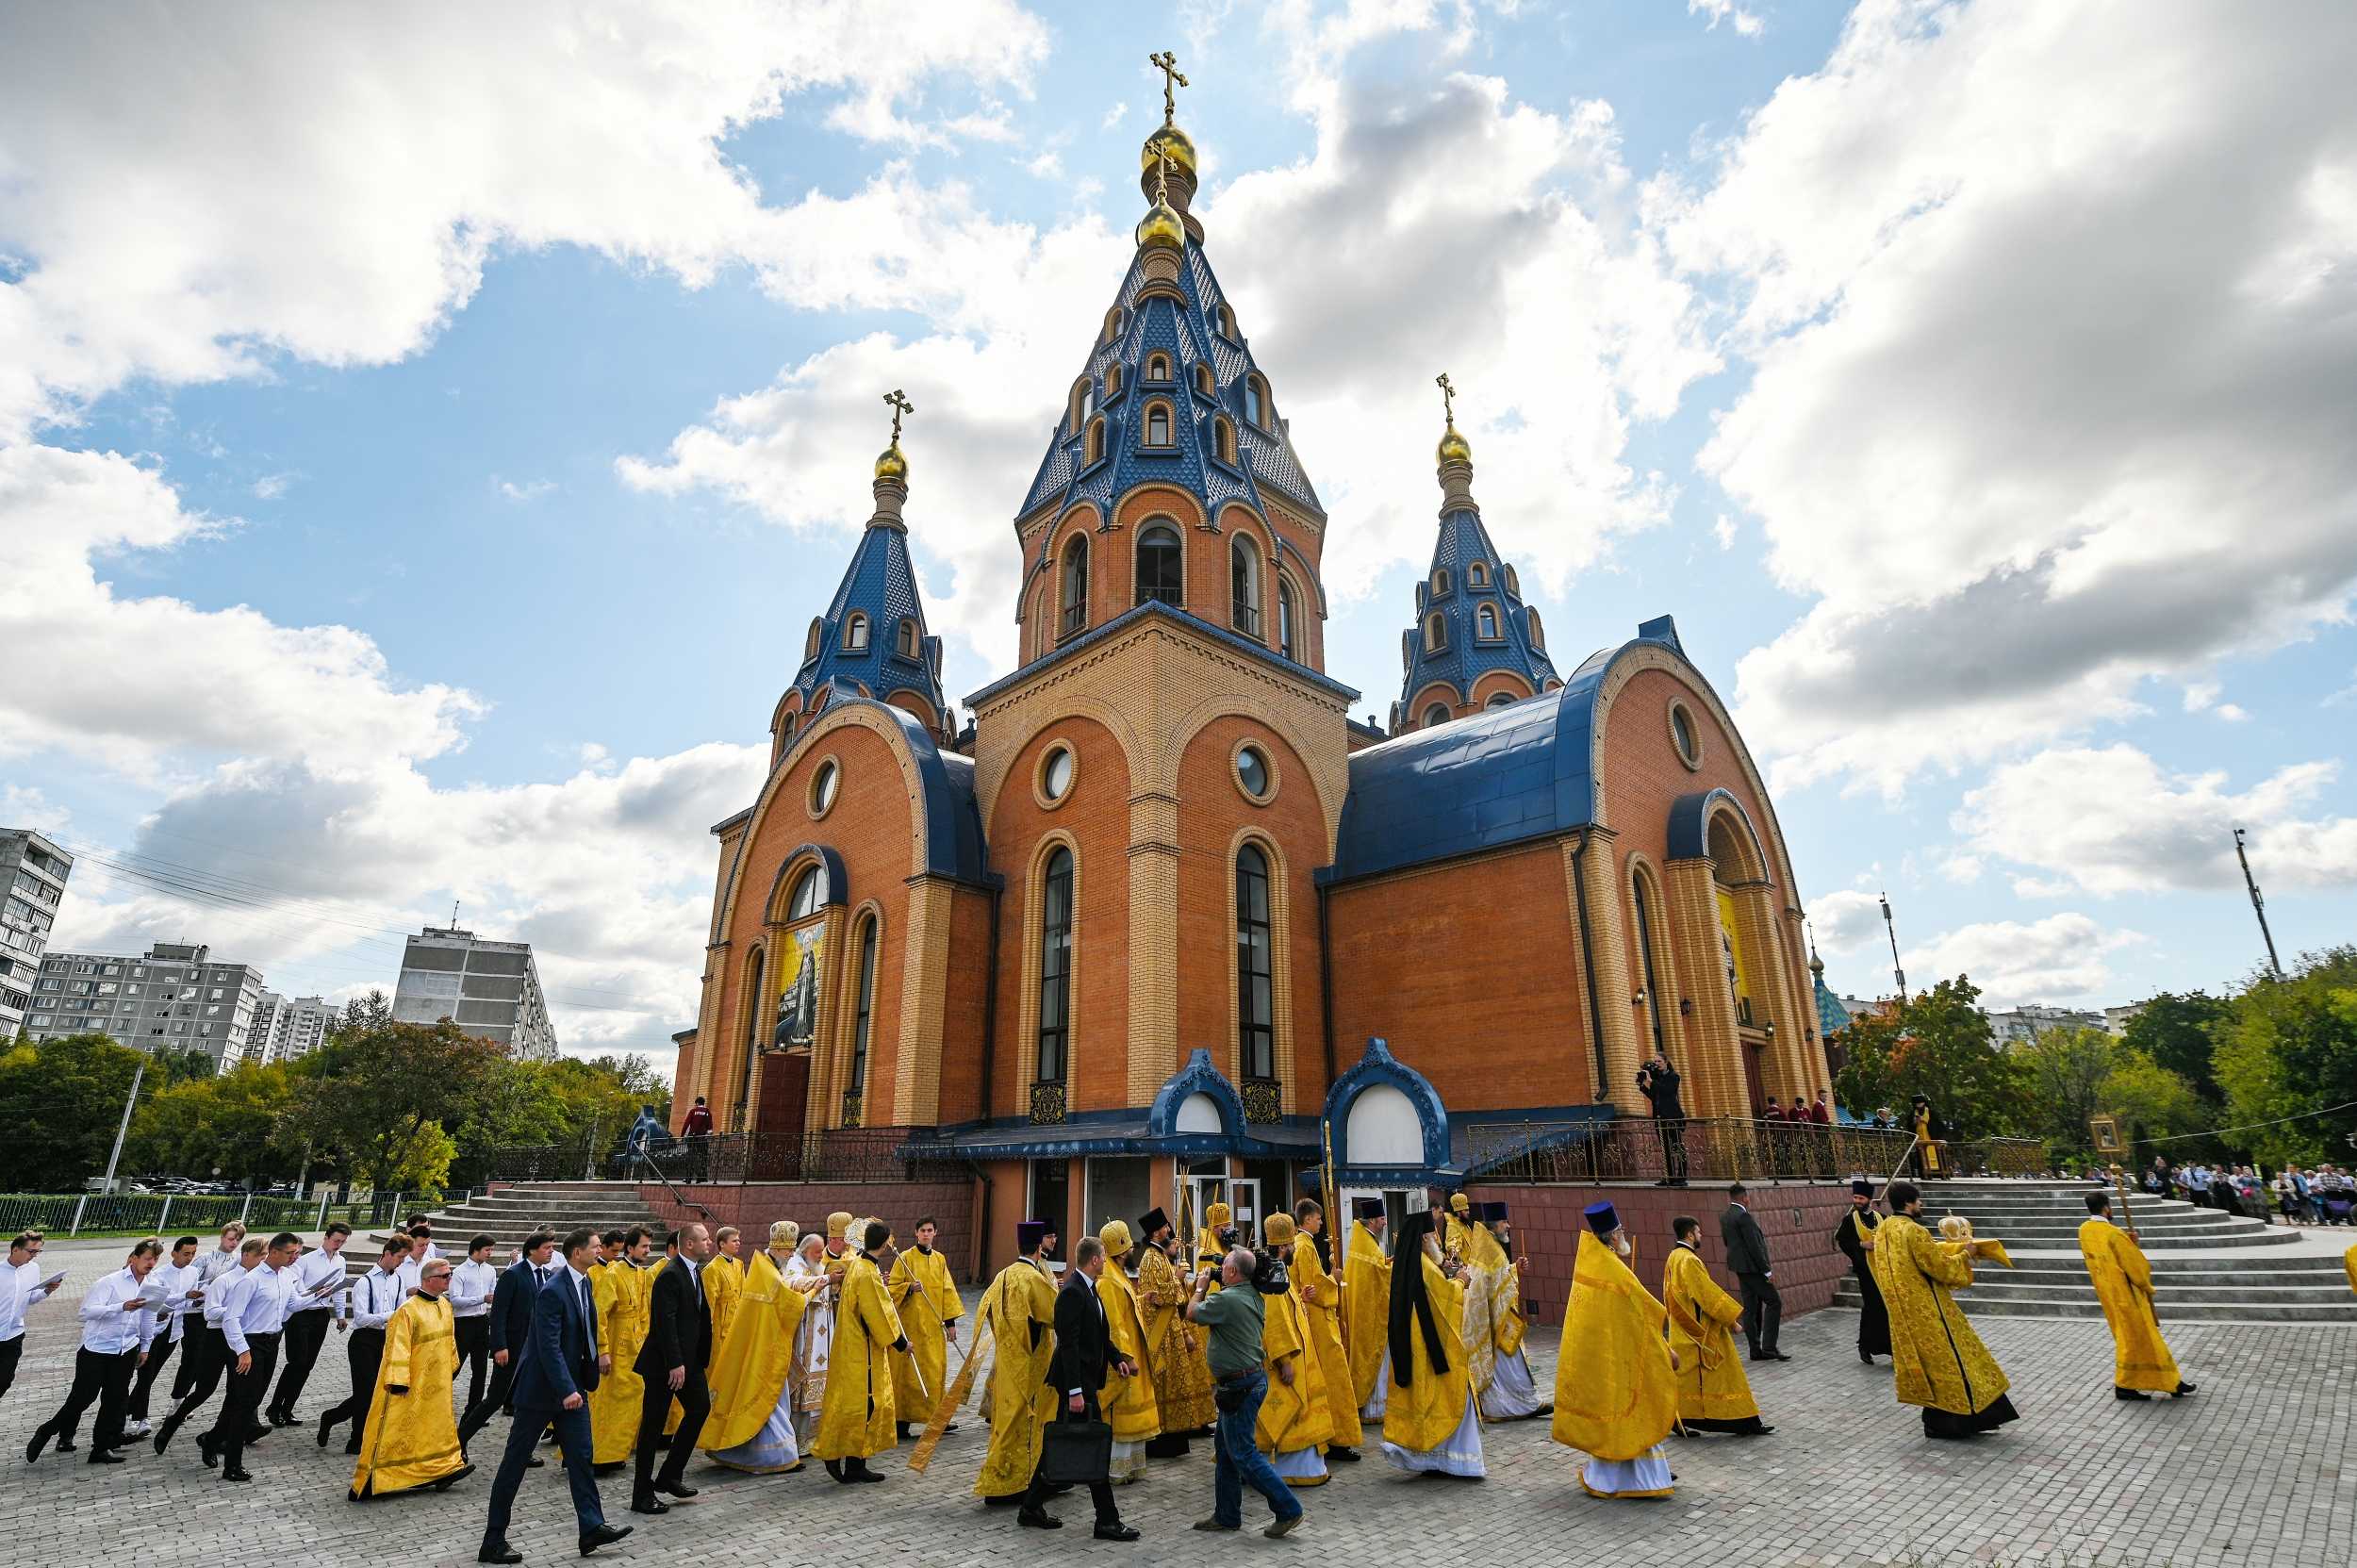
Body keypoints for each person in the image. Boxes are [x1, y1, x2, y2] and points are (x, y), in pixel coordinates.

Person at [478, 1229, 632, 1565]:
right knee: (515, 1463)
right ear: (578, 1253)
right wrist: (567, 1389)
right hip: (541, 1391)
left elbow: (585, 1333)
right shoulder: (552, 1291)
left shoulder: (585, 1282)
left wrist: (580, 1382)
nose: (601, 1251)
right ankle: (493, 1540)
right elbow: (547, 1346)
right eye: (595, 1247)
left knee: (581, 1457)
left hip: (573, 1389)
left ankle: (591, 1527)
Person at [1872, 1180, 2019, 1440]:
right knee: (1959, 1361)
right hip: (1930, 1310)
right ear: (1908, 1203)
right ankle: (1958, 1422)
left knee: (1932, 1367)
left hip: (1903, 1313)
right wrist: (1965, 1255)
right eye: (1918, 1201)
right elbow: (1938, 1267)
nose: (1921, 1205)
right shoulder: (1914, 1231)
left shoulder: (1884, 1229)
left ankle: (1948, 1421)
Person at [1551, 1202, 1679, 1498]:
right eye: (1621, 1230)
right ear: (1611, 1236)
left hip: (1605, 1357)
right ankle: (1644, 1478)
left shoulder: (1591, 1261)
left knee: (1616, 1416)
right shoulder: (1611, 1269)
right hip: (1622, 1356)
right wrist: (1664, 1349)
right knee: (1637, 1408)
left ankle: (1623, 1475)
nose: (1624, 1234)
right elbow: (1643, 1317)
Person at [1016, 1235, 1141, 1539]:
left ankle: (1031, 1507)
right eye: (1104, 1257)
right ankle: (1107, 1520)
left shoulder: (1090, 1288)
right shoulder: (1072, 1293)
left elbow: (1098, 1333)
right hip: (1076, 1383)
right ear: (1095, 1260)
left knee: (1067, 1443)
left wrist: (1115, 1359)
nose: (1106, 1261)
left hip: (1085, 1380)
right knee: (1089, 1443)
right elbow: (1069, 1345)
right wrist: (1074, 1393)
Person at [1188, 1245, 1304, 1537]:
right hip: (1243, 1383)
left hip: (1241, 1386)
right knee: (1226, 1452)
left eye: (1224, 1265)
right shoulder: (1251, 1294)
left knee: (1243, 1454)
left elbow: (1191, 1312)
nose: (1219, 1270)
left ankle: (1288, 1509)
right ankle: (1227, 1515)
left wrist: (1200, 1287)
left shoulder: (1227, 1300)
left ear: (1232, 1272)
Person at [24, 1236, 162, 1465]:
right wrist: (121, 1307)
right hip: (97, 1349)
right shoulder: (109, 1282)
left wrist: (145, 1346)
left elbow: (148, 1316)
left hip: (125, 1349)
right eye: (147, 1259)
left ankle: (101, 1448)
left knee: (115, 1400)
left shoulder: (152, 1286)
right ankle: (47, 1431)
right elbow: (85, 1312)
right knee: (82, 1399)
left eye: (155, 1260)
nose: (151, 1263)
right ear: (134, 1258)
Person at [702, 1220, 824, 1474]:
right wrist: (815, 1290)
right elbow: (791, 1306)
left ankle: (748, 1451)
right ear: (778, 1249)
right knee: (767, 1399)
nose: (792, 1255)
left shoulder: (764, 1267)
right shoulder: (767, 1272)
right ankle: (777, 1455)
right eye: (789, 1250)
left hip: (767, 1344)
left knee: (772, 1401)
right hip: (763, 1350)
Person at [351, 1255, 471, 1498]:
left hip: (436, 1384)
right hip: (408, 1384)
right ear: (428, 1280)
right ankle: (374, 1479)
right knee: (396, 1430)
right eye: (445, 1276)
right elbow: (396, 1347)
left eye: (450, 1275)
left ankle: (440, 1469)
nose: (450, 1279)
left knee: (433, 1429)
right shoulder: (407, 1311)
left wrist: (451, 1368)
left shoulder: (445, 1306)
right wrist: (398, 1381)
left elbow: (450, 1341)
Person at [1378, 1209, 1483, 1480]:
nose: (1437, 1240)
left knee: (1424, 1400)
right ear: (1423, 1239)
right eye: (1432, 1236)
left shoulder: (1410, 1261)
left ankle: (1429, 1456)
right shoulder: (1425, 1267)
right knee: (1451, 1395)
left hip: (1416, 1343)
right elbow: (1447, 1298)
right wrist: (1461, 1281)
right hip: (1428, 1346)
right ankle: (1456, 1460)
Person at [155, 1233, 265, 1459]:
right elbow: (211, 1312)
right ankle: (171, 1424)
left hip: (239, 1340)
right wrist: (237, 1310)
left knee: (236, 1393)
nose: (263, 1260)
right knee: (205, 1389)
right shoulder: (225, 1280)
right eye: (259, 1255)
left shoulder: (258, 1280)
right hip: (216, 1339)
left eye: (265, 1256)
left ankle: (215, 1438)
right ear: (246, 1255)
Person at [814, 1218, 908, 1483]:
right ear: (886, 1242)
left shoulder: (861, 1265)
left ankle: (856, 1462)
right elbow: (875, 1313)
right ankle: (837, 1454)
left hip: (856, 1346)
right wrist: (900, 1343)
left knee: (862, 1404)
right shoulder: (866, 1271)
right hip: (862, 1350)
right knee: (864, 1404)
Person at [2079, 1193, 2195, 1402]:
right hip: (2128, 1296)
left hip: (2108, 1294)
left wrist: (2129, 1243)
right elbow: (2136, 1268)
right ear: (2106, 1208)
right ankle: (2126, 1385)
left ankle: (2172, 1382)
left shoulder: (2084, 1230)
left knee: (2137, 1340)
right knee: (2137, 1340)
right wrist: (2146, 1284)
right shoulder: (2114, 1234)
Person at [204, 1230, 300, 1482]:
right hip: (250, 1344)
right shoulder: (251, 1280)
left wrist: (320, 1294)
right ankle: (232, 1464)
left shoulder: (287, 1276)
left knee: (250, 1400)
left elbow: (292, 1305)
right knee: (244, 1405)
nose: (294, 1258)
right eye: (290, 1253)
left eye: (296, 1253)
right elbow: (230, 1318)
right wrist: (242, 1350)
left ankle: (211, 1439)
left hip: (272, 1341)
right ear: (274, 1252)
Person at [975, 1219, 1060, 1506]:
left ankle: (998, 1481)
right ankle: (1021, 1484)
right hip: (1031, 1364)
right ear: (1038, 1248)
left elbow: (985, 1310)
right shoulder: (1033, 1278)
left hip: (1007, 1361)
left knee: (1006, 1422)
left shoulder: (1002, 1276)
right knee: (1027, 1424)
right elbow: (1053, 1314)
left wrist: (1005, 1337)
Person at [632, 1223, 714, 1515]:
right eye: (704, 1239)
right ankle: (641, 1494)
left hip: (689, 1362)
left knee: (700, 1409)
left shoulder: (694, 1271)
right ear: (689, 1244)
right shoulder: (670, 1275)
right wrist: (675, 1363)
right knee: (653, 1428)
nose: (709, 1243)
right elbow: (665, 1323)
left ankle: (670, 1475)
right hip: (664, 1365)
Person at [1662, 1216, 1771, 1436]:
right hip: (1701, 1333)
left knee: (1688, 1382)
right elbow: (1706, 1295)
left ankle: (1680, 1419)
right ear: (1690, 1235)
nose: (1701, 1236)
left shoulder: (1673, 1256)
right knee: (1728, 1376)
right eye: (1699, 1232)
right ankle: (1745, 1422)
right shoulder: (1689, 1260)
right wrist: (1732, 1321)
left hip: (1683, 1329)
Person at [316, 1235, 413, 1455]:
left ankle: (331, 1417)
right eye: (399, 1257)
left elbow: (401, 1309)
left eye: (404, 1258)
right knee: (365, 1392)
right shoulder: (364, 1282)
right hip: (363, 1341)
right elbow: (361, 1318)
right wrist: (394, 1314)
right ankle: (356, 1440)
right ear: (387, 1254)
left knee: (374, 1391)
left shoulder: (398, 1280)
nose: (400, 1262)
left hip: (386, 1339)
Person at [459, 1229, 553, 1453]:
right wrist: (500, 1346)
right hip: (512, 1349)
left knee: (527, 1403)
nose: (551, 1252)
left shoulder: (548, 1276)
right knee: (494, 1399)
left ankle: (521, 1450)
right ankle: (458, 1440)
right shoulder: (514, 1275)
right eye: (547, 1248)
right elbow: (499, 1313)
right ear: (532, 1250)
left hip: (535, 1351)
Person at [1283, 1200, 1361, 1461]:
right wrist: (1334, 1279)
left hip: (1314, 1319)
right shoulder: (1304, 1247)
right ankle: (1337, 1438)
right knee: (1334, 1376)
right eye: (1318, 1219)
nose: (1320, 1223)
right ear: (1306, 1220)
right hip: (1318, 1323)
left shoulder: (1302, 1245)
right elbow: (1312, 1288)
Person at [1130, 1207, 1212, 1455]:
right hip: (1161, 1334)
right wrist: (1179, 1283)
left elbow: (1169, 1294)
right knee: (1165, 1384)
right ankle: (1162, 1440)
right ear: (1157, 1232)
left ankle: (1174, 1438)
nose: (1170, 1230)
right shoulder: (1150, 1259)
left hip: (1171, 1330)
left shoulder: (1160, 1257)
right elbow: (1155, 1297)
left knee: (1176, 1384)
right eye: (1166, 1227)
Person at [1463, 1201, 1548, 1421]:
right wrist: (1510, 1276)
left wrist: (1514, 1269)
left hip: (1499, 1317)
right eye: (1504, 1222)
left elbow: (1498, 1277)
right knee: (1507, 1366)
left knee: (1509, 1365)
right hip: (1496, 1319)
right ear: (1494, 1225)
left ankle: (1521, 1404)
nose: (1508, 1226)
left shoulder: (1490, 1244)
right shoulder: (1489, 1247)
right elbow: (1491, 1283)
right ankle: (1512, 1407)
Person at [1091, 1220, 1161, 1482]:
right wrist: (1125, 1357)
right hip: (1122, 1358)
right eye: (1130, 1248)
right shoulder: (1108, 1279)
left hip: (1133, 1350)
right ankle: (1117, 1469)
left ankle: (1131, 1466)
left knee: (1134, 1411)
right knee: (1121, 1414)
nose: (1133, 1252)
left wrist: (1143, 1299)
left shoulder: (1116, 1273)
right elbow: (1113, 1322)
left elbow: (1125, 1306)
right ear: (1121, 1251)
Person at [266, 1221, 349, 1428]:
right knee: (297, 1361)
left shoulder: (341, 1261)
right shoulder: (306, 1260)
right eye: (336, 1240)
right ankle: (275, 1406)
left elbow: (339, 1289)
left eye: (343, 1241)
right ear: (326, 1238)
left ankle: (288, 1408)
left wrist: (340, 1315)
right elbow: (298, 1292)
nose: (338, 1245)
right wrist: (314, 1292)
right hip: (301, 1314)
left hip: (320, 1314)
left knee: (308, 1365)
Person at [888, 1215, 964, 1442]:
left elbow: (947, 1290)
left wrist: (950, 1323)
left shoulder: (940, 1259)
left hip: (933, 1326)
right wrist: (909, 1287)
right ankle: (902, 1420)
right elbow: (891, 1289)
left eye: (930, 1230)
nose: (926, 1234)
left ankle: (937, 1418)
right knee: (909, 1375)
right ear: (916, 1233)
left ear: (935, 1233)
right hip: (912, 1325)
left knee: (935, 1372)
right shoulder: (904, 1259)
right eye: (923, 1230)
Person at [587, 1225, 655, 1473]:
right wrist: (602, 1350)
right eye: (644, 1246)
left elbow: (646, 1313)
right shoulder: (612, 1274)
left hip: (636, 1348)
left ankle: (617, 1450)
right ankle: (600, 1455)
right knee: (609, 1401)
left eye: (649, 1246)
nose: (648, 1250)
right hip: (615, 1347)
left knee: (633, 1399)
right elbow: (600, 1315)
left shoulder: (642, 1274)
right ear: (630, 1248)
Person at [127, 1234, 202, 1434]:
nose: (189, 1257)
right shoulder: (160, 1273)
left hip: (174, 1330)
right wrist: (182, 1298)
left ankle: (129, 1411)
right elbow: (156, 1301)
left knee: (151, 1375)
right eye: (186, 1253)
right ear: (174, 1253)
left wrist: (195, 1301)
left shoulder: (193, 1272)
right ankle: (138, 1417)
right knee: (145, 1376)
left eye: (193, 1254)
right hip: (155, 1330)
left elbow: (186, 1303)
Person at [1719, 1182, 1785, 1362]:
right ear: (1745, 1198)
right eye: (1748, 1197)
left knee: (1751, 1307)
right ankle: (1769, 1347)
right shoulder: (1744, 1217)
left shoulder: (1726, 1217)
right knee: (1774, 1302)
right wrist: (1767, 1271)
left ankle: (1755, 1350)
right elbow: (1755, 1246)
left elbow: (1727, 1242)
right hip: (1754, 1269)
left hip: (1740, 1268)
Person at [782, 1229, 833, 1446]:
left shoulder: (817, 1266)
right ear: (805, 1250)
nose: (821, 1255)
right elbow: (793, 1284)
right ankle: (798, 1440)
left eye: (822, 1251)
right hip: (805, 1335)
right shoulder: (795, 1264)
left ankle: (813, 1439)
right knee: (804, 1385)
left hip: (823, 1333)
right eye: (818, 1251)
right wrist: (826, 1279)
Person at [1830, 1179, 1890, 1363]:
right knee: (1872, 1308)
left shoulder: (1882, 1218)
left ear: (1869, 1200)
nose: (1857, 1201)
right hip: (1866, 1272)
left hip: (1884, 1271)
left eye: (1861, 1198)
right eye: (1855, 1197)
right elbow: (1842, 1240)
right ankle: (1865, 1346)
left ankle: (1890, 1347)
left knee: (1886, 1308)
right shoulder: (1849, 1220)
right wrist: (1860, 1244)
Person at [1342, 1198, 1392, 1423]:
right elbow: (1380, 1272)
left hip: (1365, 1308)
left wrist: (1388, 1263)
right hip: (1368, 1313)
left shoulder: (1365, 1240)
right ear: (1371, 1220)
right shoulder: (1365, 1243)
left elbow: (1377, 1267)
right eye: (1382, 1219)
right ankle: (1373, 1409)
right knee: (1372, 1355)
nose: (1385, 1223)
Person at [0, 1230, 61, 1401]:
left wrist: (47, 1291)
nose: (34, 1256)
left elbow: (31, 1298)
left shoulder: (33, 1269)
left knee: (5, 1380)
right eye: (31, 1251)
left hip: (14, 1335)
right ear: (15, 1250)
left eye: (38, 1252)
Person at [444, 1233, 500, 1422]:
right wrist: (481, 1298)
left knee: (480, 1369)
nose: (490, 1253)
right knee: (455, 1366)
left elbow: (493, 1292)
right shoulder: (459, 1272)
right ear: (476, 1250)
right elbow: (455, 1301)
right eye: (487, 1250)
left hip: (482, 1321)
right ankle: (438, 1403)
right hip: (463, 1324)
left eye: (491, 1250)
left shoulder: (490, 1270)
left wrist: (490, 1300)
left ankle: (474, 1412)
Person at [1637, 1049, 1689, 1184]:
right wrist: (1643, 1086)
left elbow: (1668, 1091)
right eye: (1655, 1061)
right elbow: (1654, 1097)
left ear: (1666, 1063)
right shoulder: (1657, 1079)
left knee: (1677, 1146)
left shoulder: (1674, 1077)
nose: (1657, 1064)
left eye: (1659, 1061)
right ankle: (1669, 1177)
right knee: (1665, 1148)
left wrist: (1650, 1081)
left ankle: (1681, 1178)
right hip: (1659, 1117)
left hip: (1672, 1117)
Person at [703, 1226, 744, 1375]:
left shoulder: (739, 1265)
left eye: (739, 1240)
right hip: (718, 1327)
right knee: (717, 1367)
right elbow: (708, 1303)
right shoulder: (712, 1269)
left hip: (736, 1323)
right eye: (734, 1241)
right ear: (722, 1244)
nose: (738, 1243)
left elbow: (743, 1293)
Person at [1908, 1095, 1946, 1178]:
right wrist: (1914, 1122)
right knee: (1922, 1157)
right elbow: (1909, 1127)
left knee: (1936, 1156)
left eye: (1920, 1103)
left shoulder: (1931, 1112)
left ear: (1924, 1103)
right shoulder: (1912, 1114)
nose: (1919, 1105)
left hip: (1932, 1138)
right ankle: (1925, 1174)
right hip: (1920, 1141)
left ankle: (1939, 1174)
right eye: (1917, 1104)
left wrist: (1924, 1120)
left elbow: (1939, 1125)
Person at [680, 1097, 714, 1181]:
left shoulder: (693, 1111)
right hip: (702, 1138)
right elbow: (710, 1125)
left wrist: (682, 1135)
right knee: (703, 1157)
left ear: (697, 1103)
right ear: (703, 1103)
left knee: (691, 1157)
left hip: (693, 1138)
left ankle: (688, 1178)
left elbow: (686, 1124)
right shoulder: (707, 1111)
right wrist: (709, 1133)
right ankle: (702, 1177)